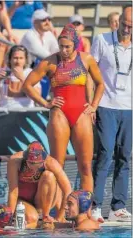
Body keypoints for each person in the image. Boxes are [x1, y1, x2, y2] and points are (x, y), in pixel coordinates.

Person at [22, 24, 105, 193]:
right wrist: (45, 103)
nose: (64, 50)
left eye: (67, 47)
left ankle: (85, 211)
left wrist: (94, 106)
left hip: (81, 114)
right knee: (57, 166)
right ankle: (57, 213)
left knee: (86, 166)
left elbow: (100, 84)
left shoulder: (86, 59)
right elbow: (27, 85)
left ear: (75, 44)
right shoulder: (50, 61)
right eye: (61, 46)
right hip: (59, 114)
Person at [91, 6, 132, 223]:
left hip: (129, 108)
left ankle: (118, 206)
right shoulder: (102, 39)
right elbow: (91, 70)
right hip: (106, 105)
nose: (126, 28)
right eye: (124, 23)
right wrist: (92, 104)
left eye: (130, 26)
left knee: (125, 157)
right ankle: (96, 205)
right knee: (106, 154)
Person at [6, 141, 72, 229]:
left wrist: (60, 216)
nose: (34, 167)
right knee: (31, 218)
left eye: (38, 164)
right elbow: (13, 192)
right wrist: (8, 219)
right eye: (31, 163)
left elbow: (67, 190)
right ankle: (38, 221)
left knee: (49, 176)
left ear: (44, 159)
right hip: (23, 201)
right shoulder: (15, 161)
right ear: (25, 159)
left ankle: (45, 216)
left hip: (41, 201)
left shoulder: (51, 162)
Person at [20, 9, 59, 99]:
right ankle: (44, 97)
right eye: (43, 20)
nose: (47, 22)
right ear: (35, 23)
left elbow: (57, 51)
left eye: (49, 20)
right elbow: (43, 54)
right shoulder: (29, 35)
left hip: (39, 68)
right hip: (27, 69)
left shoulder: (48, 34)